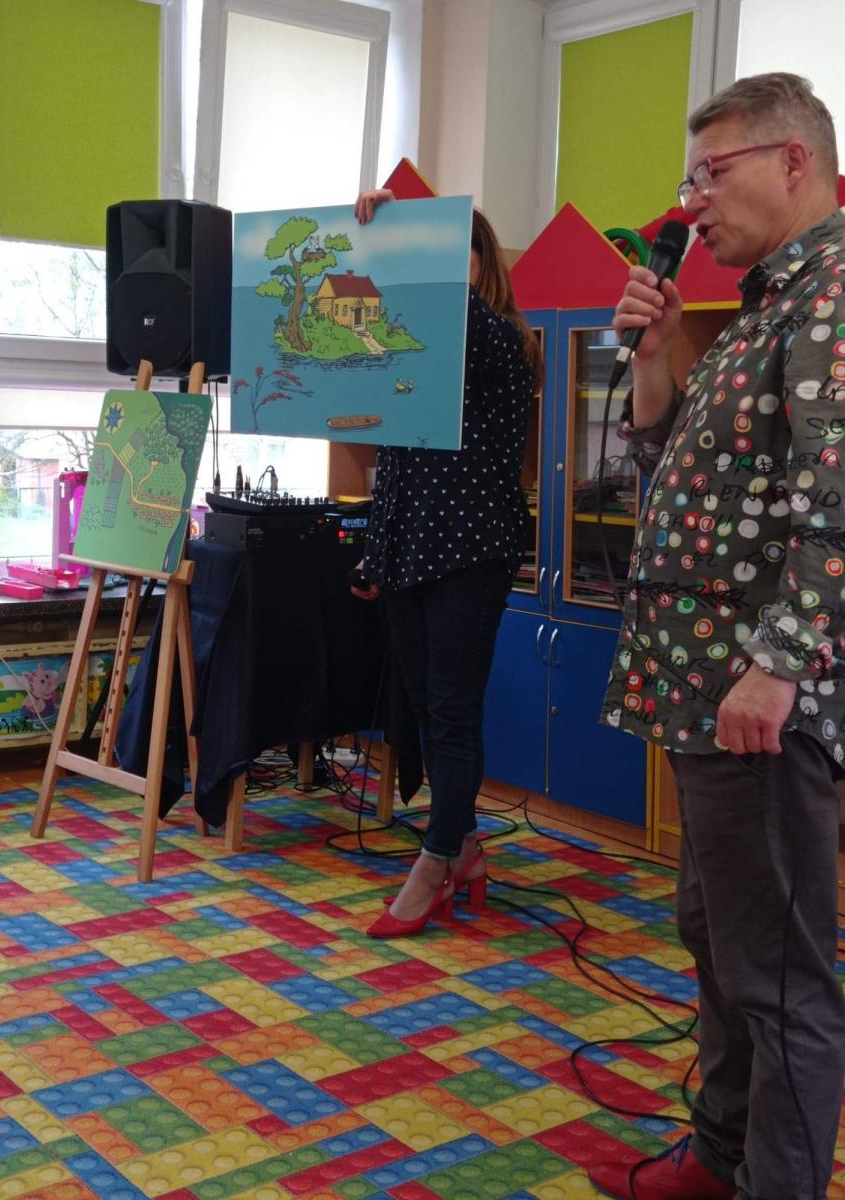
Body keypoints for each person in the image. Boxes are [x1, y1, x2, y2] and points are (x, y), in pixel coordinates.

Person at [593, 73, 845, 1200]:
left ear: (793, 160)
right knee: (717, 935)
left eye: (712, 172)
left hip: (758, 702)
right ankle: (722, 1152)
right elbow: (675, 483)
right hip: (704, 693)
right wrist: (655, 359)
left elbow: (837, 503)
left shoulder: (834, 297)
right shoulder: (765, 308)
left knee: (779, 975)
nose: (690, 202)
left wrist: (777, 667)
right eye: (688, 178)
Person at [351, 189, 543, 938]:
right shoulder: (408, 355)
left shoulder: (501, 340)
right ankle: (464, 849)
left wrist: (402, 229)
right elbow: (393, 463)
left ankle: (433, 865)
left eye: (446, 252)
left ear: (479, 262)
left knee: (453, 711)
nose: (432, 269)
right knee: (429, 709)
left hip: (471, 547)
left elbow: (450, 311)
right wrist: (374, 550)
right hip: (409, 545)